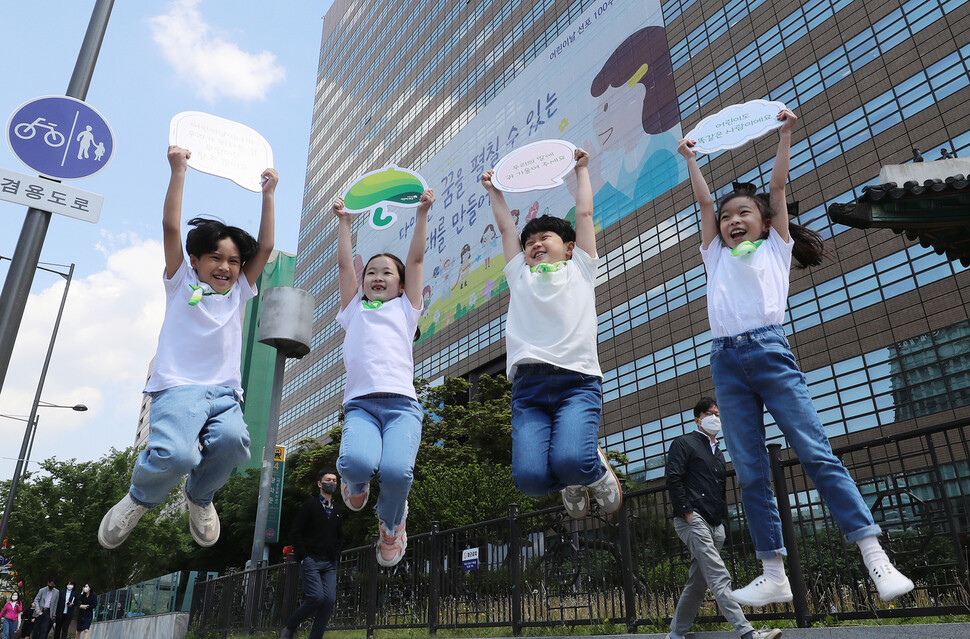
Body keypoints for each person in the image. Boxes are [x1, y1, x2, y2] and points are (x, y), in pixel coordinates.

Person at [678, 108, 914, 606]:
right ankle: (773, 572)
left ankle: (875, 556)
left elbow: (779, 188)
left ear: (764, 222)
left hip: (768, 350)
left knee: (815, 451)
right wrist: (692, 161)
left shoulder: (775, 248)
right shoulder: (715, 254)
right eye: (726, 217)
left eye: (743, 213)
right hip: (725, 361)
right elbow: (702, 204)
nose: (732, 220)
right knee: (749, 469)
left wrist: (785, 135)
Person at [98, 145, 278, 549]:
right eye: (215, 257)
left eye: (233, 261)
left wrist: (268, 194)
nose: (226, 267)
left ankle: (200, 498)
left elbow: (264, 247)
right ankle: (139, 497)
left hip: (224, 394)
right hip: (178, 387)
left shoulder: (239, 293)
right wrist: (178, 170)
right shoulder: (181, 283)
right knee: (176, 455)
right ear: (195, 261)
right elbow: (170, 228)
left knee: (234, 446)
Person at [480, 148, 622, 519]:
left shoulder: (580, 269)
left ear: (569, 248)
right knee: (529, 481)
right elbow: (506, 228)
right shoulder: (519, 275)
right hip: (528, 388)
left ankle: (590, 471)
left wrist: (582, 170)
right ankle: (571, 480)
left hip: (576, 381)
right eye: (530, 243)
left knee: (574, 459)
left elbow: (585, 213)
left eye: (545, 238)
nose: (535, 244)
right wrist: (495, 191)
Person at [333, 186, 434, 567]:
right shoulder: (353, 309)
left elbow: (417, 257)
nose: (377, 276)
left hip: (401, 407)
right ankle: (354, 482)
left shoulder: (407, 310)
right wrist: (345, 223)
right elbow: (346, 267)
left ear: (401, 283)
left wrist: (422, 213)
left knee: (396, 472)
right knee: (358, 463)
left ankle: (392, 524)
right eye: (371, 272)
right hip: (361, 405)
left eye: (386, 272)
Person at [666, 398, 781, 639]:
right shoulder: (684, 443)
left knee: (698, 583)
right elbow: (674, 479)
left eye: (719, 414)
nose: (716, 418)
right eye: (710, 413)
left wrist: (723, 526)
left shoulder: (718, 454)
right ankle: (747, 632)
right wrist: (687, 512)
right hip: (692, 519)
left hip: (715, 524)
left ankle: (676, 634)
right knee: (719, 575)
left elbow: (720, 491)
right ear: (698, 418)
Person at [279, 469, 344, 639]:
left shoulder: (337, 509)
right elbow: (296, 532)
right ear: (319, 484)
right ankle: (289, 627)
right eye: (328, 479)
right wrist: (303, 556)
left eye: (335, 480)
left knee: (329, 600)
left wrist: (336, 552)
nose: (332, 482)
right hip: (311, 560)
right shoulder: (309, 506)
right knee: (316, 597)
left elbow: (339, 534)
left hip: (329, 561)